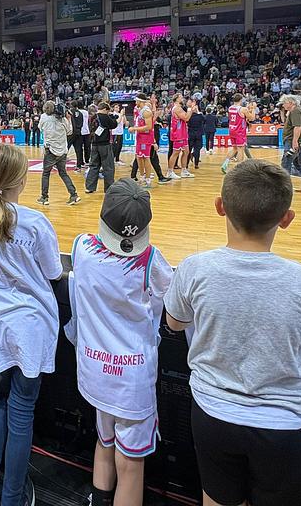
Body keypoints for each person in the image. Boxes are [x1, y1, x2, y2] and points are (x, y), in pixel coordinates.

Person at [164, 160, 301, 506]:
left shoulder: (194, 268)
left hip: (212, 412)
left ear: (220, 207)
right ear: (287, 218)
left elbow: (174, 323)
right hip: (283, 423)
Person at [66, 179, 173, 506]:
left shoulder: (81, 246)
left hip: (94, 370)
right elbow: (173, 297)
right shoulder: (150, 259)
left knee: (104, 440)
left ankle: (97, 500)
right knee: (131, 463)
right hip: (131, 382)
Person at [0, 144, 62, 506]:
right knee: (21, 412)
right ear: (23, 180)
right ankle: (11, 498)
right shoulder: (36, 223)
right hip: (29, 327)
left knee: (0, 401)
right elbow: (54, 272)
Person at [37, 102, 79, 206]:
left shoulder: (43, 117)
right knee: (63, 173)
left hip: (50, 150)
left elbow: (40, 128)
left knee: (46, 173)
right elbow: (69, 132)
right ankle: (73, 194)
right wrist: (68, 119)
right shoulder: (63, 119)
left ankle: (44, 197)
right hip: (62, 151)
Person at [278, 95, 301, 193]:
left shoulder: (295, 112)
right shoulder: (297, 111)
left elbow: (297, 127)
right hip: (298, 141)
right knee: (299, 164)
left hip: (293, 142)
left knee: (286, 163)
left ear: (291, 102)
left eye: (284, 103)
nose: (283, 105)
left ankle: (284, 187)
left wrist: (294, 141)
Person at [84, 102, 118, 194]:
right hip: (105, 145)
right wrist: (115, 118)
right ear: (105, 109)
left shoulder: (92, 117)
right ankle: (109, 188)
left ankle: (89, 187)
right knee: (108, 167)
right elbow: (114, 125)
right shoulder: (105, 116)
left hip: (94, 144)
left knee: (93, 166)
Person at [221, 94, 253, 174]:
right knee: (240, 149)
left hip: (232, 129)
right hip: (239, 131)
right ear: (241, 100)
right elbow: (251, 118)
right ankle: (240, 168)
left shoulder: (230, 108)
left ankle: (225, 164)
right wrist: (252, 109)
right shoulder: (243, 109)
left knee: (234, 148)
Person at [129, 94, 156, 188]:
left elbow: (149, 127)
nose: (135, 102)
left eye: (136, 100)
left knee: (145, 158)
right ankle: (142, 177)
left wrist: (135, 129)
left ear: (139, 101)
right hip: (140, 137)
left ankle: (147, 180)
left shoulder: (146, 112)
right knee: (139, 157)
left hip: (145, 138)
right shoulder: (140, 110)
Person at [167, 94, 192, 179]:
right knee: (175, 153)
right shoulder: (177, 108)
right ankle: (170, 172)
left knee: (186, 151)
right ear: (177, 99)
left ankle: (184, 170)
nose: (183, 98)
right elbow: (186, 118)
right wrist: (189, 108)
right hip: (178, 134)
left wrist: (189, 110)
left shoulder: (179, 108)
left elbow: (187, 116)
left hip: (183, 133)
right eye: (181, 97)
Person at [187, 99, 205, 170]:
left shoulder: (189, 116)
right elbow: (204, 119)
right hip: (198, 135)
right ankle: (196, 164)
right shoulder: (200, 116)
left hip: (190, 134)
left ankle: (186, 165)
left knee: (188, 150)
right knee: (197, 150)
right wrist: (198, 111)